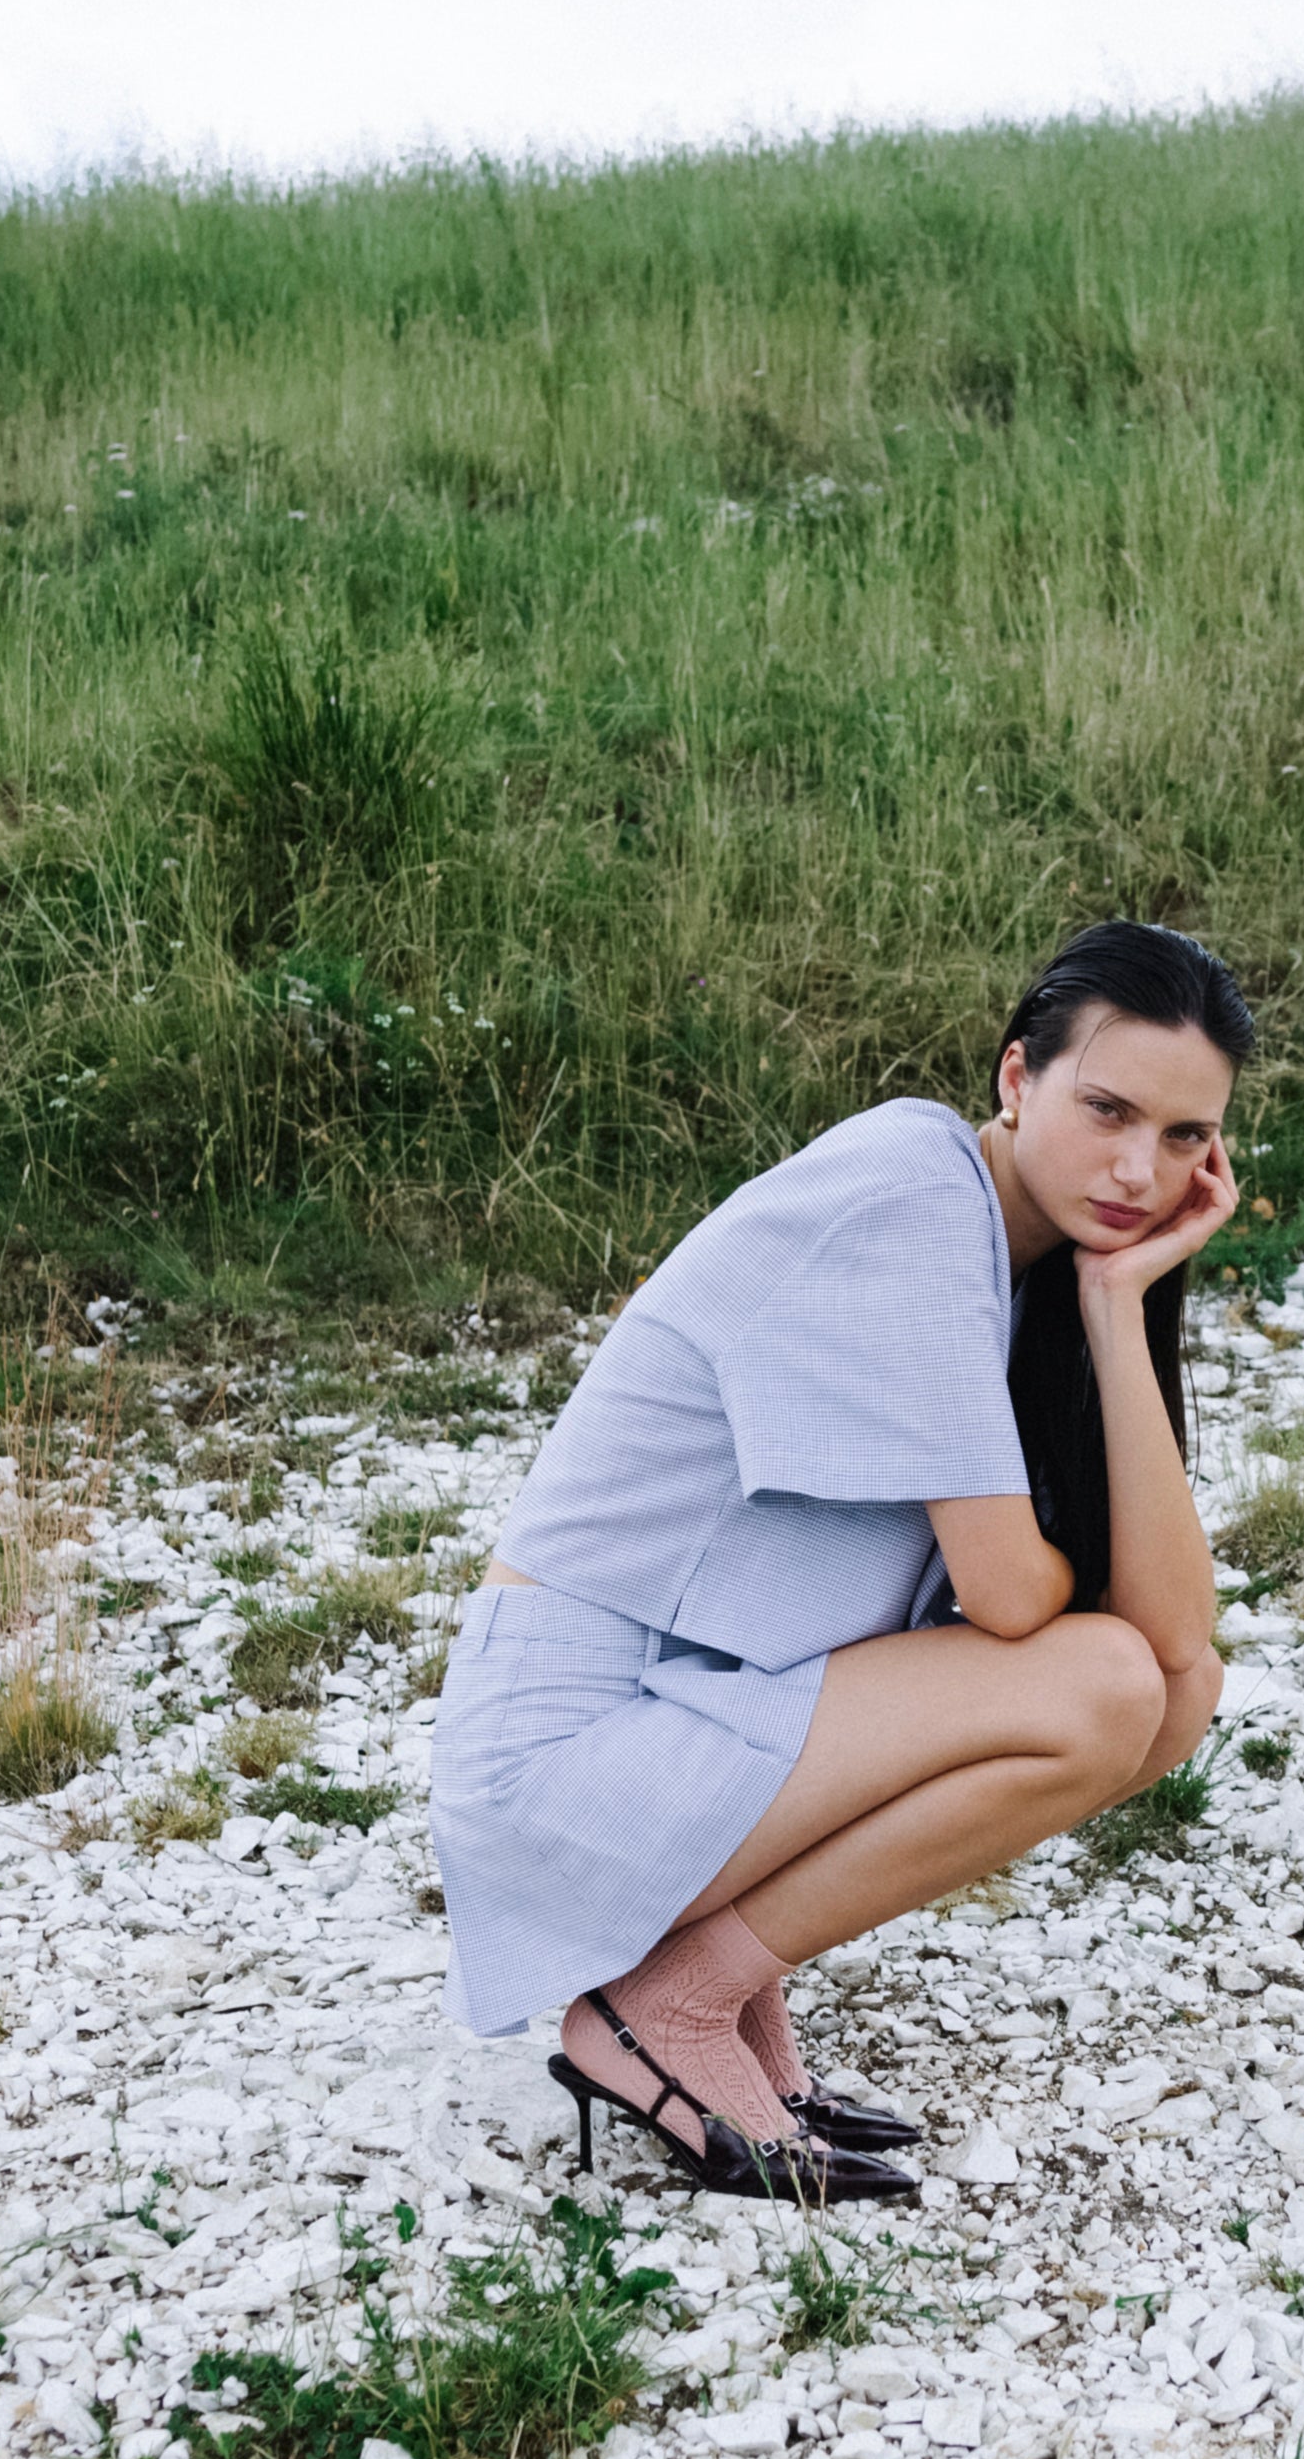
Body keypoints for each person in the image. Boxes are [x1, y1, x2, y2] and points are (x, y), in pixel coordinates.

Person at [428, 920, 1245, 2201]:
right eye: (1108, 1110)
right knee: (1098, 1683)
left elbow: (1179, 1639)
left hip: (683, 1731)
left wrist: (1113, 1302)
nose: (1140, 1169)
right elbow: (1011, 1596)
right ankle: (668, 2008)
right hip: (565, 1755)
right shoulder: (913, 1195)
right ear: (1017, 1076)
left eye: (1186, 1136)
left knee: (1167, 1691)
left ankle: (709, 1992)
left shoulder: (1030, 1272)